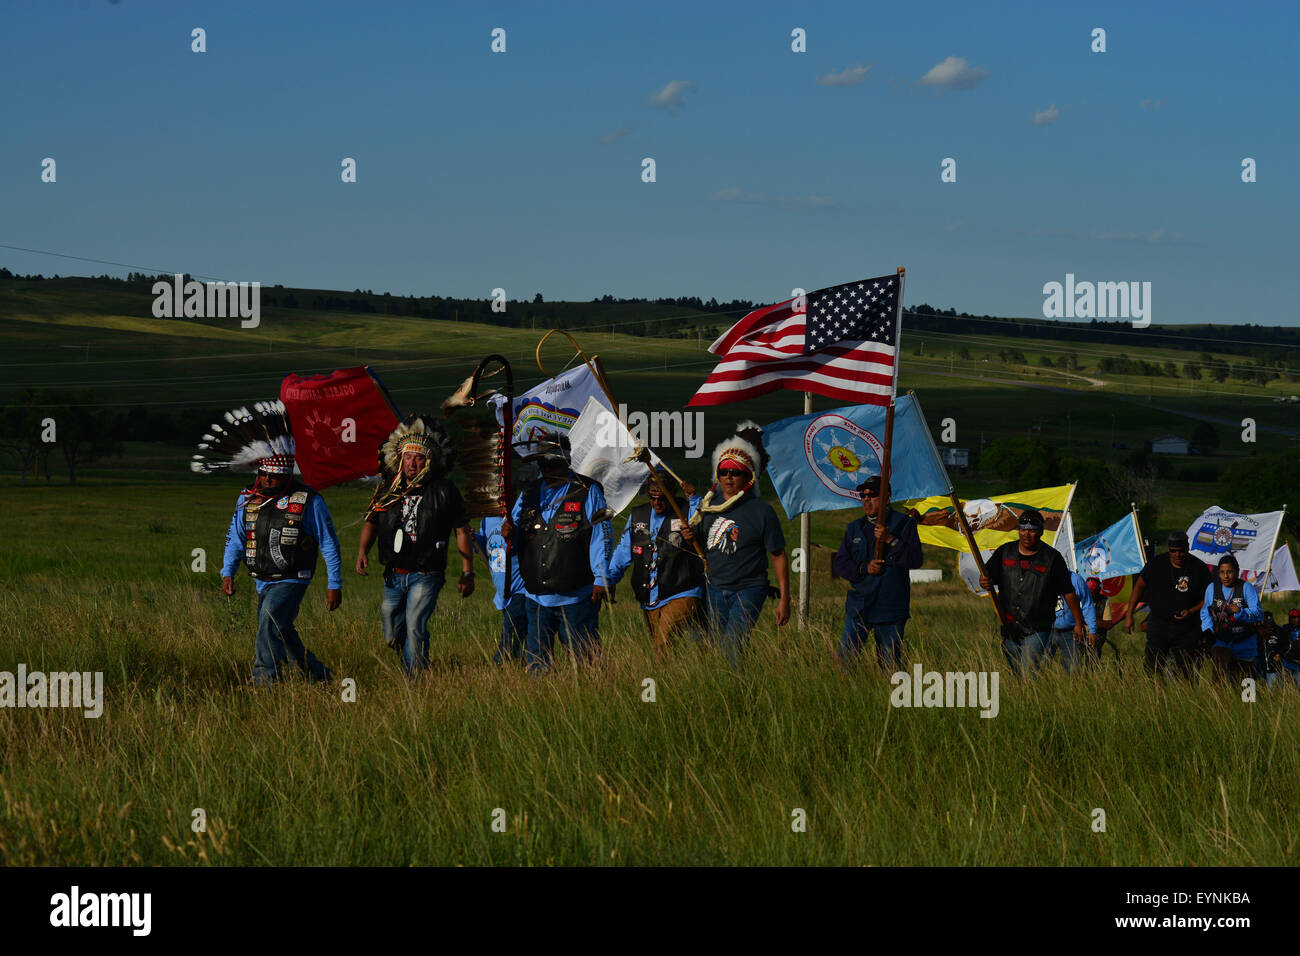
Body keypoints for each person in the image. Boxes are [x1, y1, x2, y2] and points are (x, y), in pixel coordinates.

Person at [196, 401, 343, 685]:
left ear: (287, 475)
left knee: (269, 619)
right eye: (263, 475)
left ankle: (266, 678)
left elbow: (329, 544)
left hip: (293, 577)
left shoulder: (309, 501)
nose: (266, 480)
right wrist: (227, 571)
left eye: (273, 477)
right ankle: (315, 673)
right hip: (261, 578)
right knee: (280, 628)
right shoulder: (246, 498)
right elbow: (236, 537)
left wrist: (334, 584)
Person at [357, 415, 474, 676]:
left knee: (414, 626)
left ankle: (416, 681)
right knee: (391, 630)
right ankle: (416, 659)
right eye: (408, 457)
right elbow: (371, 522)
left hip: (426, 572)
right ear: (400, 459)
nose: (412, 462)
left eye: (418, 457)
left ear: (429, 460)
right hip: (394, 573)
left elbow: (461, 529)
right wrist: (363, 551)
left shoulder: (444, 490)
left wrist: (467, 572)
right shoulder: (388, 488)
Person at [500, 432, 613, 675]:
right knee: (537, 663)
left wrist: (601, 578)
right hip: (537, 597)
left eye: (552, 463)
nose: (547, 468)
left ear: (566, 461)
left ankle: (596, 699)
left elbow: (601, 536)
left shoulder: (587, 490)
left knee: (588, 662)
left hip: (577, 596)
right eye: (542, 463)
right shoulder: (529, 492)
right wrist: (510, 534)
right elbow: (519, 534)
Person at [691, 421, 790, 668]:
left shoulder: (762, 511)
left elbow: (778, 555)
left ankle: (738, 693)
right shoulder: (708, 508)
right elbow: (700, 547)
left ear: (748, 477)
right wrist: (688, 535)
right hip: (714, 589)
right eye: (723, 472)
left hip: (749, 589)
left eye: (735, 472)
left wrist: (784, 598)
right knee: (712, 647)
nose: (728, 477)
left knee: (733, 647)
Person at [607, 468, 706, 659]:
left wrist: (694, 497)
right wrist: (607, 579)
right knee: (661, 646)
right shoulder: (638, 516)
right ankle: (675, 680)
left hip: (682, 589)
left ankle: (663, 677)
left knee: (664, 641)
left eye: (662, 497)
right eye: (652, 497)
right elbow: (623, 551)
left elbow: (702, 521)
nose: (657, 502)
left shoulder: (685, 511)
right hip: (649, 595)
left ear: (672, 495)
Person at [831, 475, 923, 670]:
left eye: (872, 495)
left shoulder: (904, 525)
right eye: (863, 495)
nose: (866, 499)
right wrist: (864, 568)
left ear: (887, 498)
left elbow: (915, 560)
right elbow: (840, 563)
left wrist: (891, 539)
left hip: (891, 607)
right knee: (844, 664)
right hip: (859, 606)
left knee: (890, 668)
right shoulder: (855, 528)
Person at [979, 509, 1084, 676]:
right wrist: (983, 581)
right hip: (1009, 625)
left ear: (1041, 532)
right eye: (1023, 529)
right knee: (1018, 675)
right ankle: (1027, 700)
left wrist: (1079, 623)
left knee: (1028, 672)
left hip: (1038, 627)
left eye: (1032, 530)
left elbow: (1068, 592)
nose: (1027, 534)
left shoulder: (1053, 558)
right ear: (1018, 531)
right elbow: (987, 578)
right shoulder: (1004, 552)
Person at [1124, 531, 1212, 679]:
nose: (1178, 555)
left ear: (1188, 548)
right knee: (1152, 667)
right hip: (1159, 623)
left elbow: (1208, 598)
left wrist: (1191, 611)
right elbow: (1139, 586)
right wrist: (1129, 614)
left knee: (1185, 671)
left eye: (1181, 551)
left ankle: (1184, 697)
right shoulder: (1156, 564)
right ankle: (1155, 696)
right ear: (1169, 550)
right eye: (1173, 551)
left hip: (1188, 626)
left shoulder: (1199, 568)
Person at [474, 510, 529, 665]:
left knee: (510, 630)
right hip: (502, 591)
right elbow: (485, 544)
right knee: (518, 633)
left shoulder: (518, 513)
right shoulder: (487, 518)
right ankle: (521, 663)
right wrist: (473, 538)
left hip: (520, 589)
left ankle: (498, 664)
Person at [1199, 554, 1263, 683]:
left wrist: (1240, 612)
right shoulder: (1212, 588)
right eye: (1222, 572)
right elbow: (1205, 611)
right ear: (1218, 573)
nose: (1226, 576)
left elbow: (1258, 613)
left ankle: (1246, 702)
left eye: (1230, 572)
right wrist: (1207, 630)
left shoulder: (1246, 588)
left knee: (1246, 686)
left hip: (1245, 642)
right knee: (1219, 672)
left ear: (1237, 572)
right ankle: (1220, 701)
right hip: (1222, 640)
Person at [1047, 571, 1099, 673]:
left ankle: (1072, 688)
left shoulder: (1076, 579)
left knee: (1072, 670)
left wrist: (1092, 630)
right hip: (1045, 630)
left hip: (1071, 631)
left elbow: (1087, 604)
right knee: (1038, 666)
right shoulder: (1040, 576)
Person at [1265, 608, 1300, 689]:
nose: (1297, 619)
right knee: (1285, 689)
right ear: (1290, 618)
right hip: (1286, 665)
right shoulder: (1283, 629)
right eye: (1294, 617)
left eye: (1298, 617)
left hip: (1298, 666)